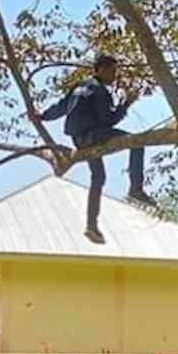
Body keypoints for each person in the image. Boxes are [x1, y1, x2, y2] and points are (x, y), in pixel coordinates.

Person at [43, 54, 156, 244]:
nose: (114, 76)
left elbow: (61, 106)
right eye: (112, 71)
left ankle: (91, 226)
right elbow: (109, 120)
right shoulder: (99, 91)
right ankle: (136, 188)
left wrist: (42, 116)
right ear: (100, 70)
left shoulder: (80, 86)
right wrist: (126, 103)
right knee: (136, 142)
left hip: (78, 139)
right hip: (93, 135)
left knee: (99, 177)